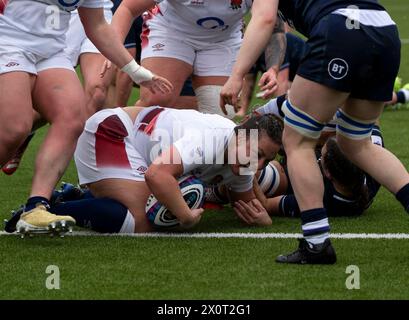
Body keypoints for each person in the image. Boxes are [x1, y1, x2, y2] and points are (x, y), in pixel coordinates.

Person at [221, 0, 409, 264]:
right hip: (384, 28)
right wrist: (274, 68)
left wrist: (237, 75)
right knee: (357, 144)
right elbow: (274, 24)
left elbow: (264, 18)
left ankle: (317, 243)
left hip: (342, 30)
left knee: (297, 141)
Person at [0, 0, 173, 236]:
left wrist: (136, 71)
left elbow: (97, 25)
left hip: (50, 50)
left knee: (72, 118)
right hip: (8, 41)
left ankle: (36, 207)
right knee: (15, 129)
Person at [8, 107, 282, 234]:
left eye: (265, 160)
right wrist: (186, 216)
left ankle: (71, 198)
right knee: (139, 221)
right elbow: (157, 175)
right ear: (242, 133)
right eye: (257, 154)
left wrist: (264, 220)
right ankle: (46, 210)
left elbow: (251, 202)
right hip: (111, 132)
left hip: (136, 149)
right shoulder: (209, 137)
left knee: (154, 210)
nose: (257, 165)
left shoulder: (244, 154)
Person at [110, 0, 285, 118]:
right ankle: (108, 130)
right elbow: (127, 8)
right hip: (171, 29)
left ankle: (197, 168)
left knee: (223, 114)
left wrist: (273, 67)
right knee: (157, 101)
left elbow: (270, 21)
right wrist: (113, 48)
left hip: (223, 37)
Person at [237, 32, 307, 116]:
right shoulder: (249, 51)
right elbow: (248, 83)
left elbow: (282, 85)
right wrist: (242, 111)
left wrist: (278, 113)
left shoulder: (275, 45)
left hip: (310, 73)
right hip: (293, 77)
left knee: (287, 94)